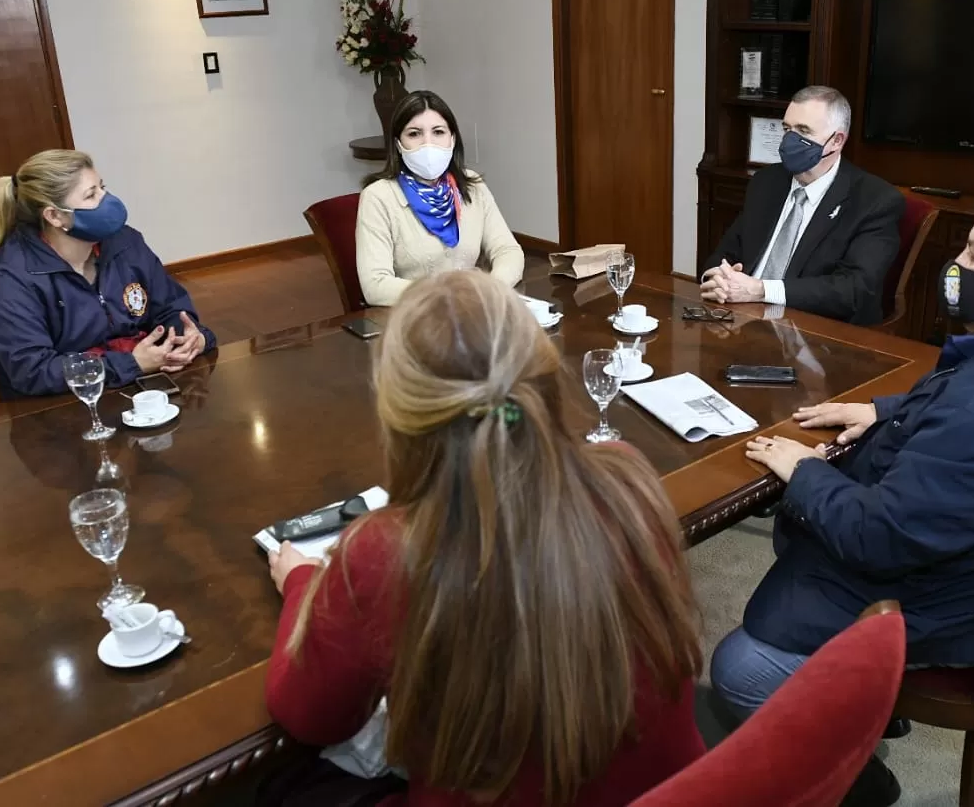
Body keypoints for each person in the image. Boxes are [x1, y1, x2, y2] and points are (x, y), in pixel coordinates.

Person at [711, 182, 974, 805]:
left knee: (739, 668)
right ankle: (860, 707)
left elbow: (879, 538)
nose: (955, 266)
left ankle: (859, 782)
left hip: (937, 600)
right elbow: (967, 395)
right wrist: (883, 410)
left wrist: (804, 470)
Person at [264, 270, 704, 806]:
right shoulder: (628, 478)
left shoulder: (384, 550)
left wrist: (304, 584)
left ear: (399, 414)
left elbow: (308, 716)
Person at [0, 150, 215, 398]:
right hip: (61, 408)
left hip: (142, 385)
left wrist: (188, 338)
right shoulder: (6, 279)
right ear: (54, 216)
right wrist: (131, 364)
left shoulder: (125, 242)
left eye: (103, 188)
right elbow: (34, 371)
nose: (107, 199)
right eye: (91, 195)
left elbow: (169, 306)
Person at [701, 86, 903, 325]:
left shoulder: (874, 200)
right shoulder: (767, 182)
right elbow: (725, 253)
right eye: (787, 129)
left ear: (837, 141)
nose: (790, 140)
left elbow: (854, 290)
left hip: (817, 332)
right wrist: (716, 279)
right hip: (739, 319)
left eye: (803, 131)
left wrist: (762, 290)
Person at [355, 91, 525, 307]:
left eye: (438, 132)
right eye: (414, 134)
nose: (428, 144)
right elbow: (375, 286)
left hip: (473, 313)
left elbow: (508, 251)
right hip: (413, 319)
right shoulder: (378, 197)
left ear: (452, 139)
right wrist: (450, 295)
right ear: (398, 144)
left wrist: (491, 288)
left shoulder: (472, 185)